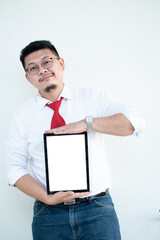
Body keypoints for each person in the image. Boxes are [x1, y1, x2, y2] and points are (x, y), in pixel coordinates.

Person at [4, 40, 145, 240]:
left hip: (97, 210)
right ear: (28, 78)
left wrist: (87, 123)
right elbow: (13, 169)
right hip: (48, 214)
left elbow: (135, 123)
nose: (42, 70)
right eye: (33, 68)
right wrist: (46, 197)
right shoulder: (21, 115)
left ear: (61, 64)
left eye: (47, 62)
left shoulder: (92, 98)